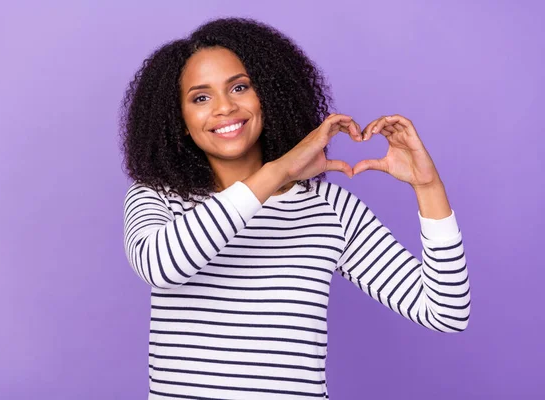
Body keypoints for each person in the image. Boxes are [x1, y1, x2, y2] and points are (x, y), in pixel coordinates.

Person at [121, 17, 470, 400]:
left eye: (240, 87)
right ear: (180, 121)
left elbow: (446, 312)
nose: (224, 107)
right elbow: (161, 267)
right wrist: (280, 169)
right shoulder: (157, 196)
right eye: (200, 97)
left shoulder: (330, 210)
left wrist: (428, 186)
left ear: (268, 95)